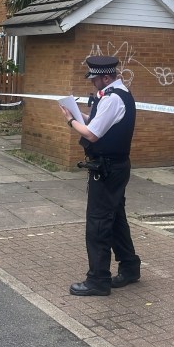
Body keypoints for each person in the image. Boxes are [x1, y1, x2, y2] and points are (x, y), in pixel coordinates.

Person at [59, 55, 141, 297]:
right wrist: (79, 116)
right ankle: (129, 267)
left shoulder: (113, 99)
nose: (92, 83)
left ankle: (98, 280)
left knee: (98, 223)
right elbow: (97, 124)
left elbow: (93, 135)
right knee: (115, 219)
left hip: (107, 169)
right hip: (115, 167)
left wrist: (71, 120)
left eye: (94, 78)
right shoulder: (114, 95)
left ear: (106, 77)